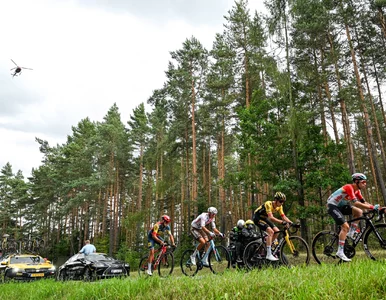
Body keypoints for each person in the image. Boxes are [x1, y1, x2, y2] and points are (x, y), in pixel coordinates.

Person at [327, 173, 380, 262]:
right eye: (363, 182)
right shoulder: (349, 187)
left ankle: (351, 232)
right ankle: (340, 251)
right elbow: (355, 203)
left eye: (365, 182)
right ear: (356, 181)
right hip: (332, 206)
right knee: (345, 227)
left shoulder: (357, 191)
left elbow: (364, 203)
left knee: (359, 212)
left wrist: (376, 207)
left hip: (341, 206)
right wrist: (371, 207)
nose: (365, 184)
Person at [253, 192, 293, 261]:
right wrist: (281, 222)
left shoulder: (280, 207)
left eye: (283, 201)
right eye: (280, 201)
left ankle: (268, 245)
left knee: (277, 231)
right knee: (270, 231)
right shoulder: (268, 204)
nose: (282, 203)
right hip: (257, 217)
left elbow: (283, 217)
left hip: (264, 218)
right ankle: (268, 254)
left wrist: (291, 223)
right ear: (276, 200)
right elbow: (271, 218)